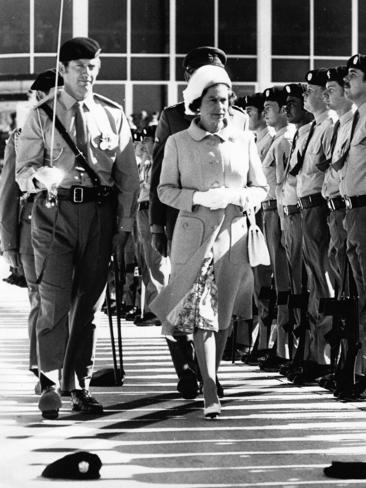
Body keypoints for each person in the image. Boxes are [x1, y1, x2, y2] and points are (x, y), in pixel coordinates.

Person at [16, 37, 139, 419]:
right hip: (54, 213)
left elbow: (128, 177)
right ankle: (51, 384)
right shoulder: (42, 114)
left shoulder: (113, 114)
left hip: (100, 216)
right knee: (53, 299)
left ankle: (80, 386)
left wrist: (123, 223)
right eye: (80, 67)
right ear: (64, 70)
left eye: (93, 67)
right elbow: (22, 172)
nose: (88, 74)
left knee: (89, 304)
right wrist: (40, 177)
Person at [151, 65, 268, 418]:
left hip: (233, 236)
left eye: (225, 100)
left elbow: (261, 187)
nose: (221, 107)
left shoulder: (245, 139)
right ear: (196, 104)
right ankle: (211, 386)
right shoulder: (177, 142)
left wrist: (244, 196)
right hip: (194, 237)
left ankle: (209, 375)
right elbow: (164, 190)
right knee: (202, 313)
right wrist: (198, 199)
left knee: (224, 314)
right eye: (213, 100)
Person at [0, 69, 63, 389]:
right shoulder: (22, 135)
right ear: (39, 98)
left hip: (74, 224)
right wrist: (8, 243)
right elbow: (9, 193)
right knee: (41, 299)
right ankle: (43, 369)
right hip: (31, 227)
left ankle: (68, 368)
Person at [259, 86, 292, 370]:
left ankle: (284, 346)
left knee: (284, 280)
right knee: (273, 280)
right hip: (269, 211)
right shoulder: (274, 140)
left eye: (271, 107)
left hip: (280, 211)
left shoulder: (285, 139)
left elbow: (283, 184)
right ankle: (277, 344)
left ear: (284, 110)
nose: (265, 112)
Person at [340, 53, 366, 390]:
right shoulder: (354, 119)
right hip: (351, 211)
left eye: (355, 75)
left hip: (364, 209)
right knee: (359, 294)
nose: (348, 81)